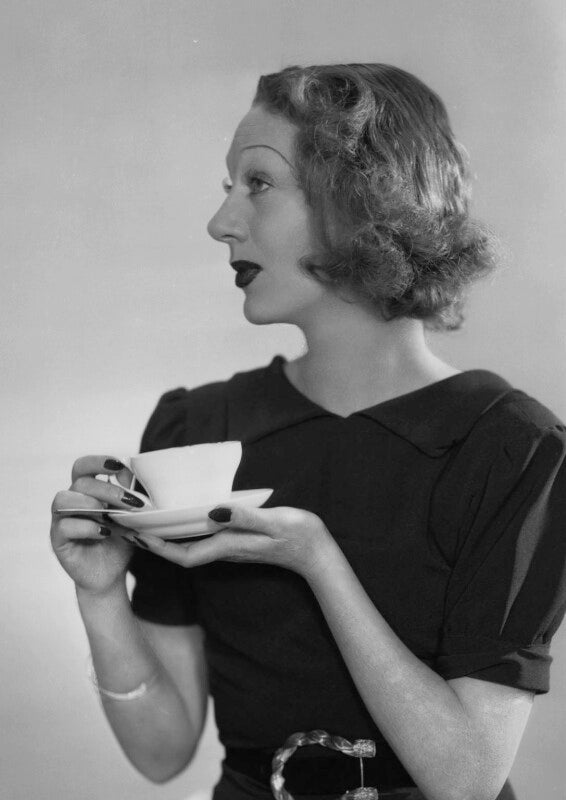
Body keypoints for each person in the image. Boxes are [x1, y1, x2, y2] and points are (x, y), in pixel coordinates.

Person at [50, 64, 566, 800]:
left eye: (258, 183)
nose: (221, 222)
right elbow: (162, 752)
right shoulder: (195, 428)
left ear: (364, 200)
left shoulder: (511, 448)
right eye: (228, 186)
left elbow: (467, 780)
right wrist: (100, 594)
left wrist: (318, 560)